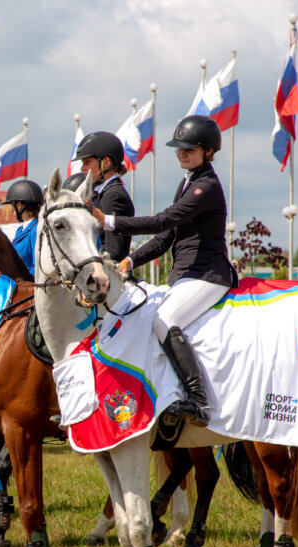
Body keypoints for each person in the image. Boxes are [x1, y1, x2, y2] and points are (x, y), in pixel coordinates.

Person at [94, 115, 235, 428]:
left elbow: (162, 221)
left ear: (209, 152)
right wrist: (132, 260)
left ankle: (199, 401)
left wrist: (109, 222)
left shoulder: (206, 186)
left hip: (208, 274)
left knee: (164, 319)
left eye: (190, 149)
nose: (182, 154)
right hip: (186, 274)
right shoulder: (187, 182)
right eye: (179, 149)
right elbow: (167, 237)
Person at [71, 131, 135, 263]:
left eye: (87, 162)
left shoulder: (113, 195)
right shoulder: (102, 193)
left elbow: (113, 252)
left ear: (106, 162)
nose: (82, 168)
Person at [0, 179, 43, 276]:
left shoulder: (36, 229)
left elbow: (37, 266)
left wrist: (19, 278)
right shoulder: (20, 230)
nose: (11, 211)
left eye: (12, 206)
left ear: (19, 205)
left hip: (28, 284)